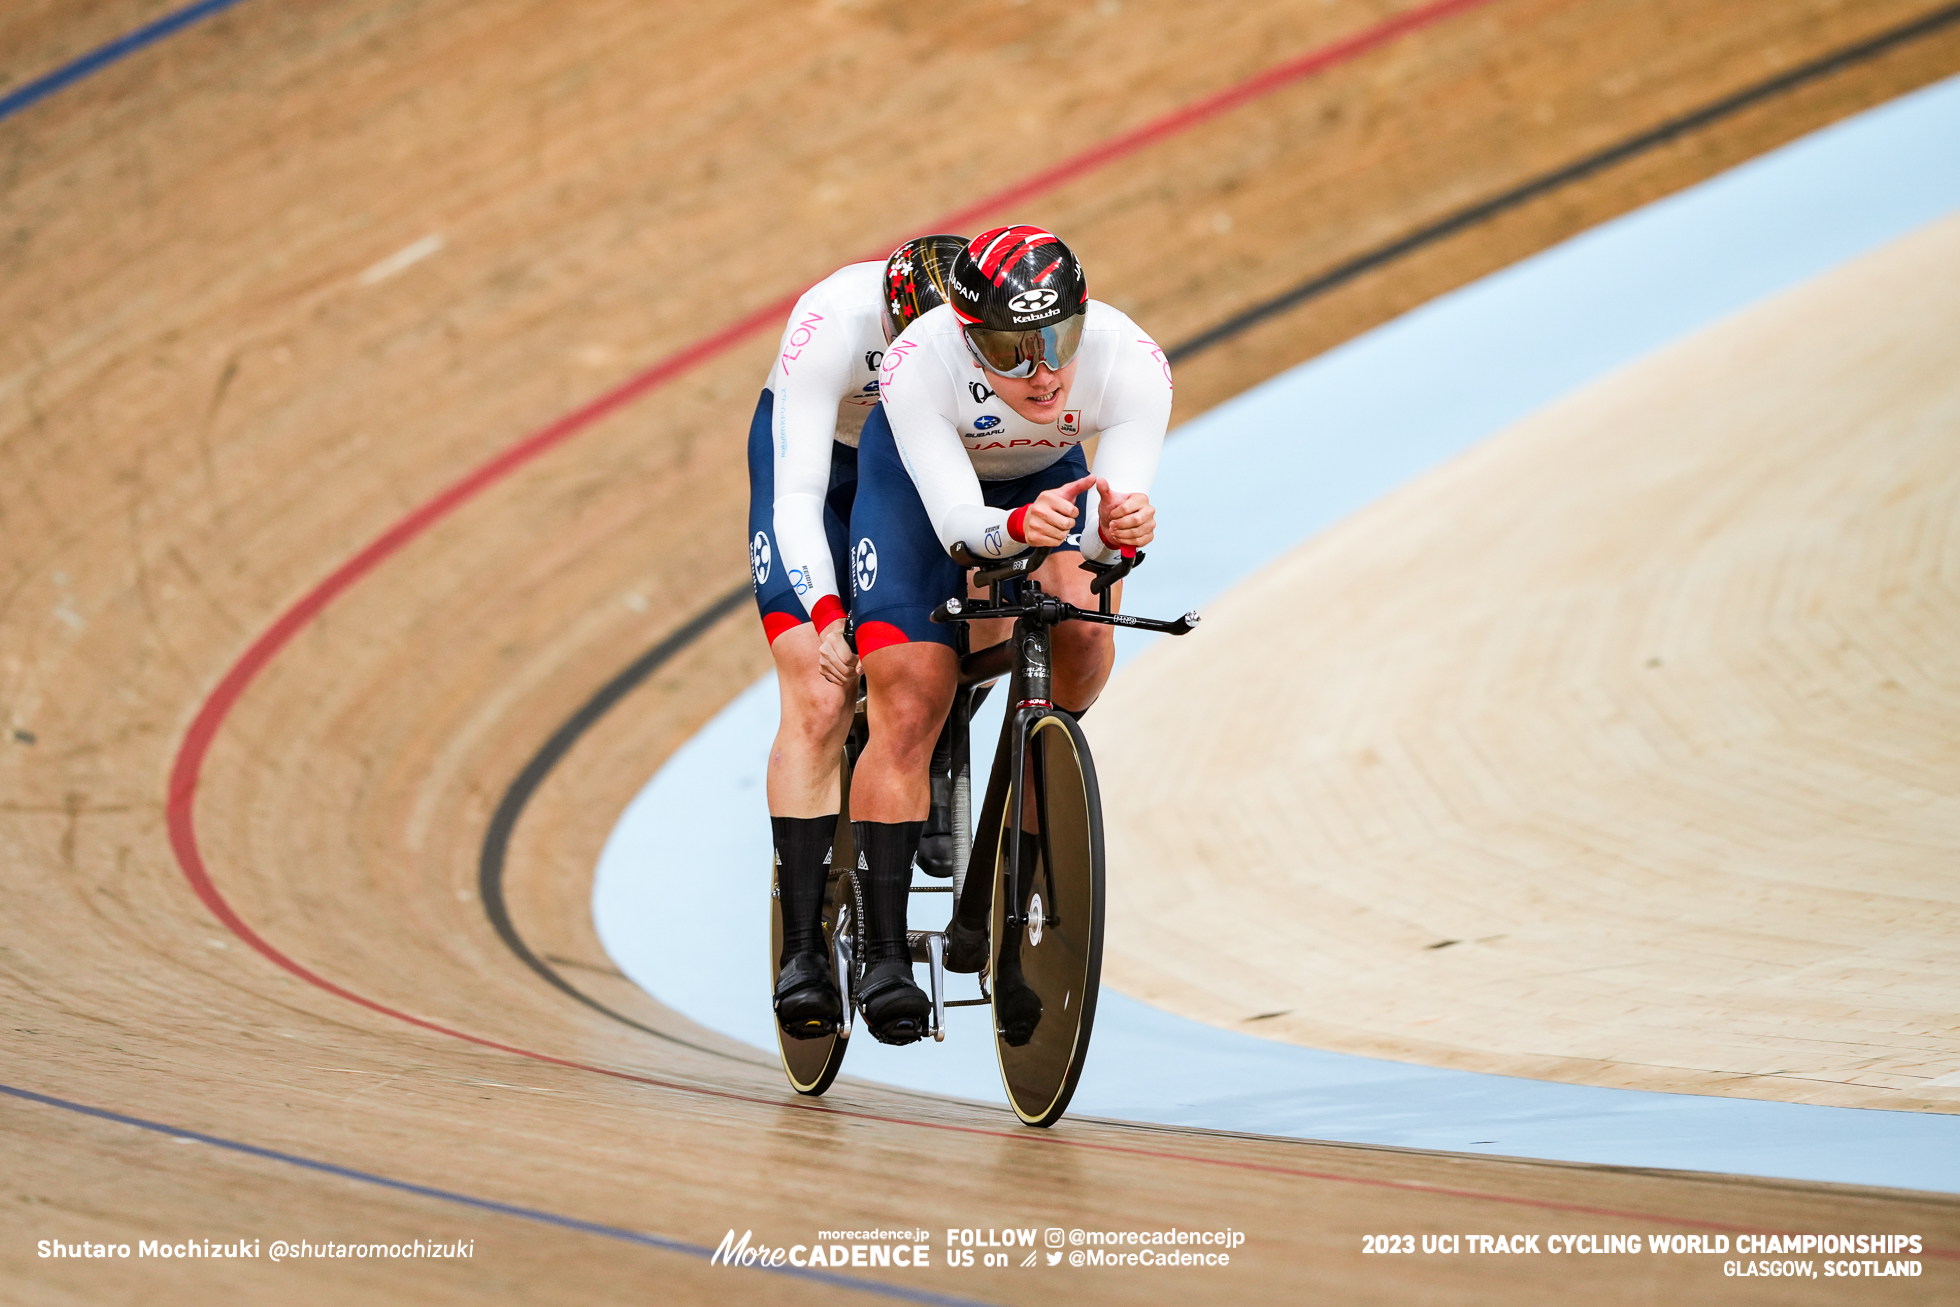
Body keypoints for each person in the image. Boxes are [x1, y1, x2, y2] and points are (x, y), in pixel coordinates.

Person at [830, 225, 1171, 1044]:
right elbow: (958, 528)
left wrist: (1118, 529)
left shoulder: (1132, 362)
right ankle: (882, 953)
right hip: (922, 491)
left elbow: (1100, 539)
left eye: (1058, 341)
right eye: (1013, 350)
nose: (1045, 370)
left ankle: (1029, 775)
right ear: (966, 333)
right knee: (911, 700)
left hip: (1038, 479)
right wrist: (1018, 526)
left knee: (1084, 636)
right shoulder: (920, 362)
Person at [748, 233, 967, 1041]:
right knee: (819, 686)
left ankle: (930, 757)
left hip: (914, 466)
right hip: (821, 473)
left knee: (949, 640)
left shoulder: (975, 328)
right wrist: (826, 610)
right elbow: (798, 495)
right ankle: (803, 951)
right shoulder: (832, 321)